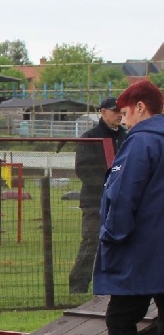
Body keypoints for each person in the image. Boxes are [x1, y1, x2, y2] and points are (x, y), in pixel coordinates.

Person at [81, 80, 164, 335]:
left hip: (142, 252)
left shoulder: (141, 142)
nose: (124, 120)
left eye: (126, 112)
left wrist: (113, 237)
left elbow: (123, 194)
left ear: (140, 108)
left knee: (121, 320)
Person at [69, 97, 127, 294]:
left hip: (121, 200)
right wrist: (108, 185)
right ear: (103, 112)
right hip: (95, 200)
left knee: (121, 242)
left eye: (121, 110)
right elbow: (83, 169)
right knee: (91, 241)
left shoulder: (126, 137)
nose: (119, 114)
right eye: (114, 110)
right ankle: (78, 286)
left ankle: (115, 284)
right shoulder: (90, 137)